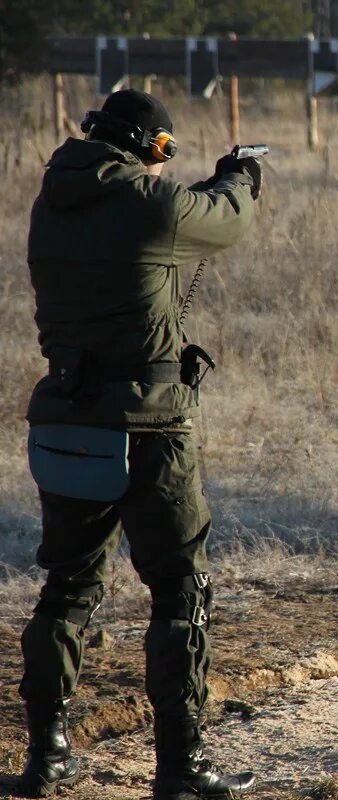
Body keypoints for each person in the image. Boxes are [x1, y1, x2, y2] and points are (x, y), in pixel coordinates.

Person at [17, 89, 263, 799]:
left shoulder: (50, 203)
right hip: (149, 426)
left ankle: (47, 754)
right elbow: (223, 218)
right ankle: (181, 768)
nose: (164, 167)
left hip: (66, 420)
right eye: (162, 153)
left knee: (65, 588)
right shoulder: (148, 205)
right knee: (181, 590)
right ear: (145, 149)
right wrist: (241, 174)